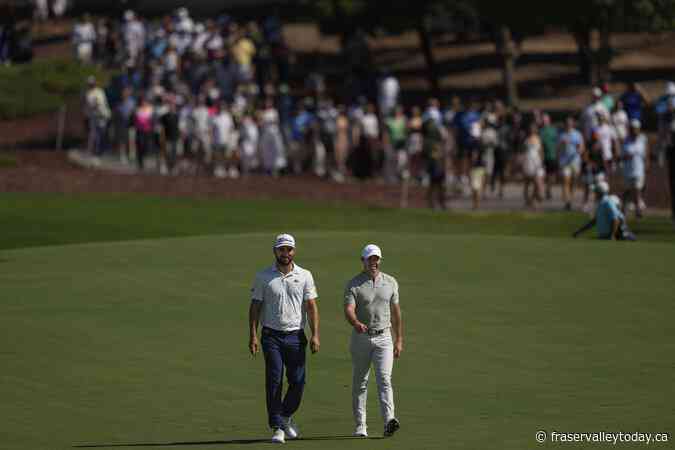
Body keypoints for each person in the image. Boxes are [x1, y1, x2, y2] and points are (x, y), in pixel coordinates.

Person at [249, 234, 320, 444]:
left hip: (296, 336)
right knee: (274, 379)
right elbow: (255, 307)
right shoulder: (263, 276)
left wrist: (315, 334)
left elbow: (311, 307)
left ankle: (286, 415)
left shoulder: (305, 275)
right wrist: (253, 335)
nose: (285, 253)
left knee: (298, 381)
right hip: (271, 335)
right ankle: (277, 426)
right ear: (275, 251)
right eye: (281, 249)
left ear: (294, 251)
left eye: (289, 249)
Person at [344, 244, 402, 439]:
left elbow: (395, 313)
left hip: (384, 337)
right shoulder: (354, 284)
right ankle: (361, 425)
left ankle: (389, 421)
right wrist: (356, 323)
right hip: (361, 337)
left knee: (385, 380)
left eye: (376, 259)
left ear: (380, 260)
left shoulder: (391, 282)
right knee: (360, 382)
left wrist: (399, 339)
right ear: (363, 261)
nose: (373, 262)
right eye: (370, 259)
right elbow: (349, 309)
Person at [620, 119, 648, 219]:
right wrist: (627, 156)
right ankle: (623, 209)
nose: (634, 131)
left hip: (639, 170)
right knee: (627, 191)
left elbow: (645, 154)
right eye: (632, 129)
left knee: (637, 190)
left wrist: (647, 165)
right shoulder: (625, 141)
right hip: (628, 170)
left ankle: (638, 211)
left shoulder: (642, 140)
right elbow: (622, 156)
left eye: (636, 129)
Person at [558, 117, 585, 210]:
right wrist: (562, 144)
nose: (568, 124)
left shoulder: (577, 134)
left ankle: (570, 199)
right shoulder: (562, 135)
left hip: (575, 161)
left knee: (574, 181)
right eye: (567, 123)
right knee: (566, 181)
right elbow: (558, 149)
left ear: (573, 124)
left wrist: (579, 149)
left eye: (570, 122)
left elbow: (582, 148)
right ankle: (568, 201)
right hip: (565, 162)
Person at [539, 113, 558, 199]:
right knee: (544, 175)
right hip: (544, 156)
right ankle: (544, 191)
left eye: (545, 119)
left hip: (553, 155)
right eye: (543, 119)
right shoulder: (541, 131)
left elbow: (557, 142)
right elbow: (540, 145)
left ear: (549, 120)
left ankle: (548, 188)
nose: (544, 121)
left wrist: (558, 153)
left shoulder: (553, 130)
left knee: (552, 176)